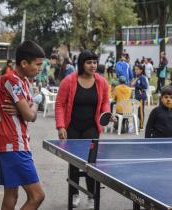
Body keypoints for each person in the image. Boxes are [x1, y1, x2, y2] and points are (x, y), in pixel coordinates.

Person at [55, 50, 110, 208]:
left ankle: (92, 196)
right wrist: (60, 126)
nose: (93, 65)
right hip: (72, 127)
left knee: (91, 165)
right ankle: (74, 194)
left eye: (95, 62)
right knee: (74, 164)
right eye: (89, 62)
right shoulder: (69, 81)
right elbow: (60, 104)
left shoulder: (101, 82)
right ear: (82, 64)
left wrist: (106, 113)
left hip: (91, 128)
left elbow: (105, 101)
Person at [0, 40, 45, 210]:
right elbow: (30, 114)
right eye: (38, 65)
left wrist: (28, 109)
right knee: (37, 196)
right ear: (24, 63)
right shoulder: (12, 80)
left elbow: (31, 114)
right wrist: (33, 105)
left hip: (16, 144)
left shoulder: (24, 81)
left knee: (12, 194)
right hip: (14, 145)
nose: (40, 69)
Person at [131, 64, 148, 130]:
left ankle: (141, 126)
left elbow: (145, 86)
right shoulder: (137, 77)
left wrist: (136, 84)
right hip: (137, 96)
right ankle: (138, 125)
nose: (136, 71)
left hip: (141, 97)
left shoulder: (142, 77)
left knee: (141, 112)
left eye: (137, 69)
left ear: (141, 70)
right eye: (135, 69)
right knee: (137, 112)